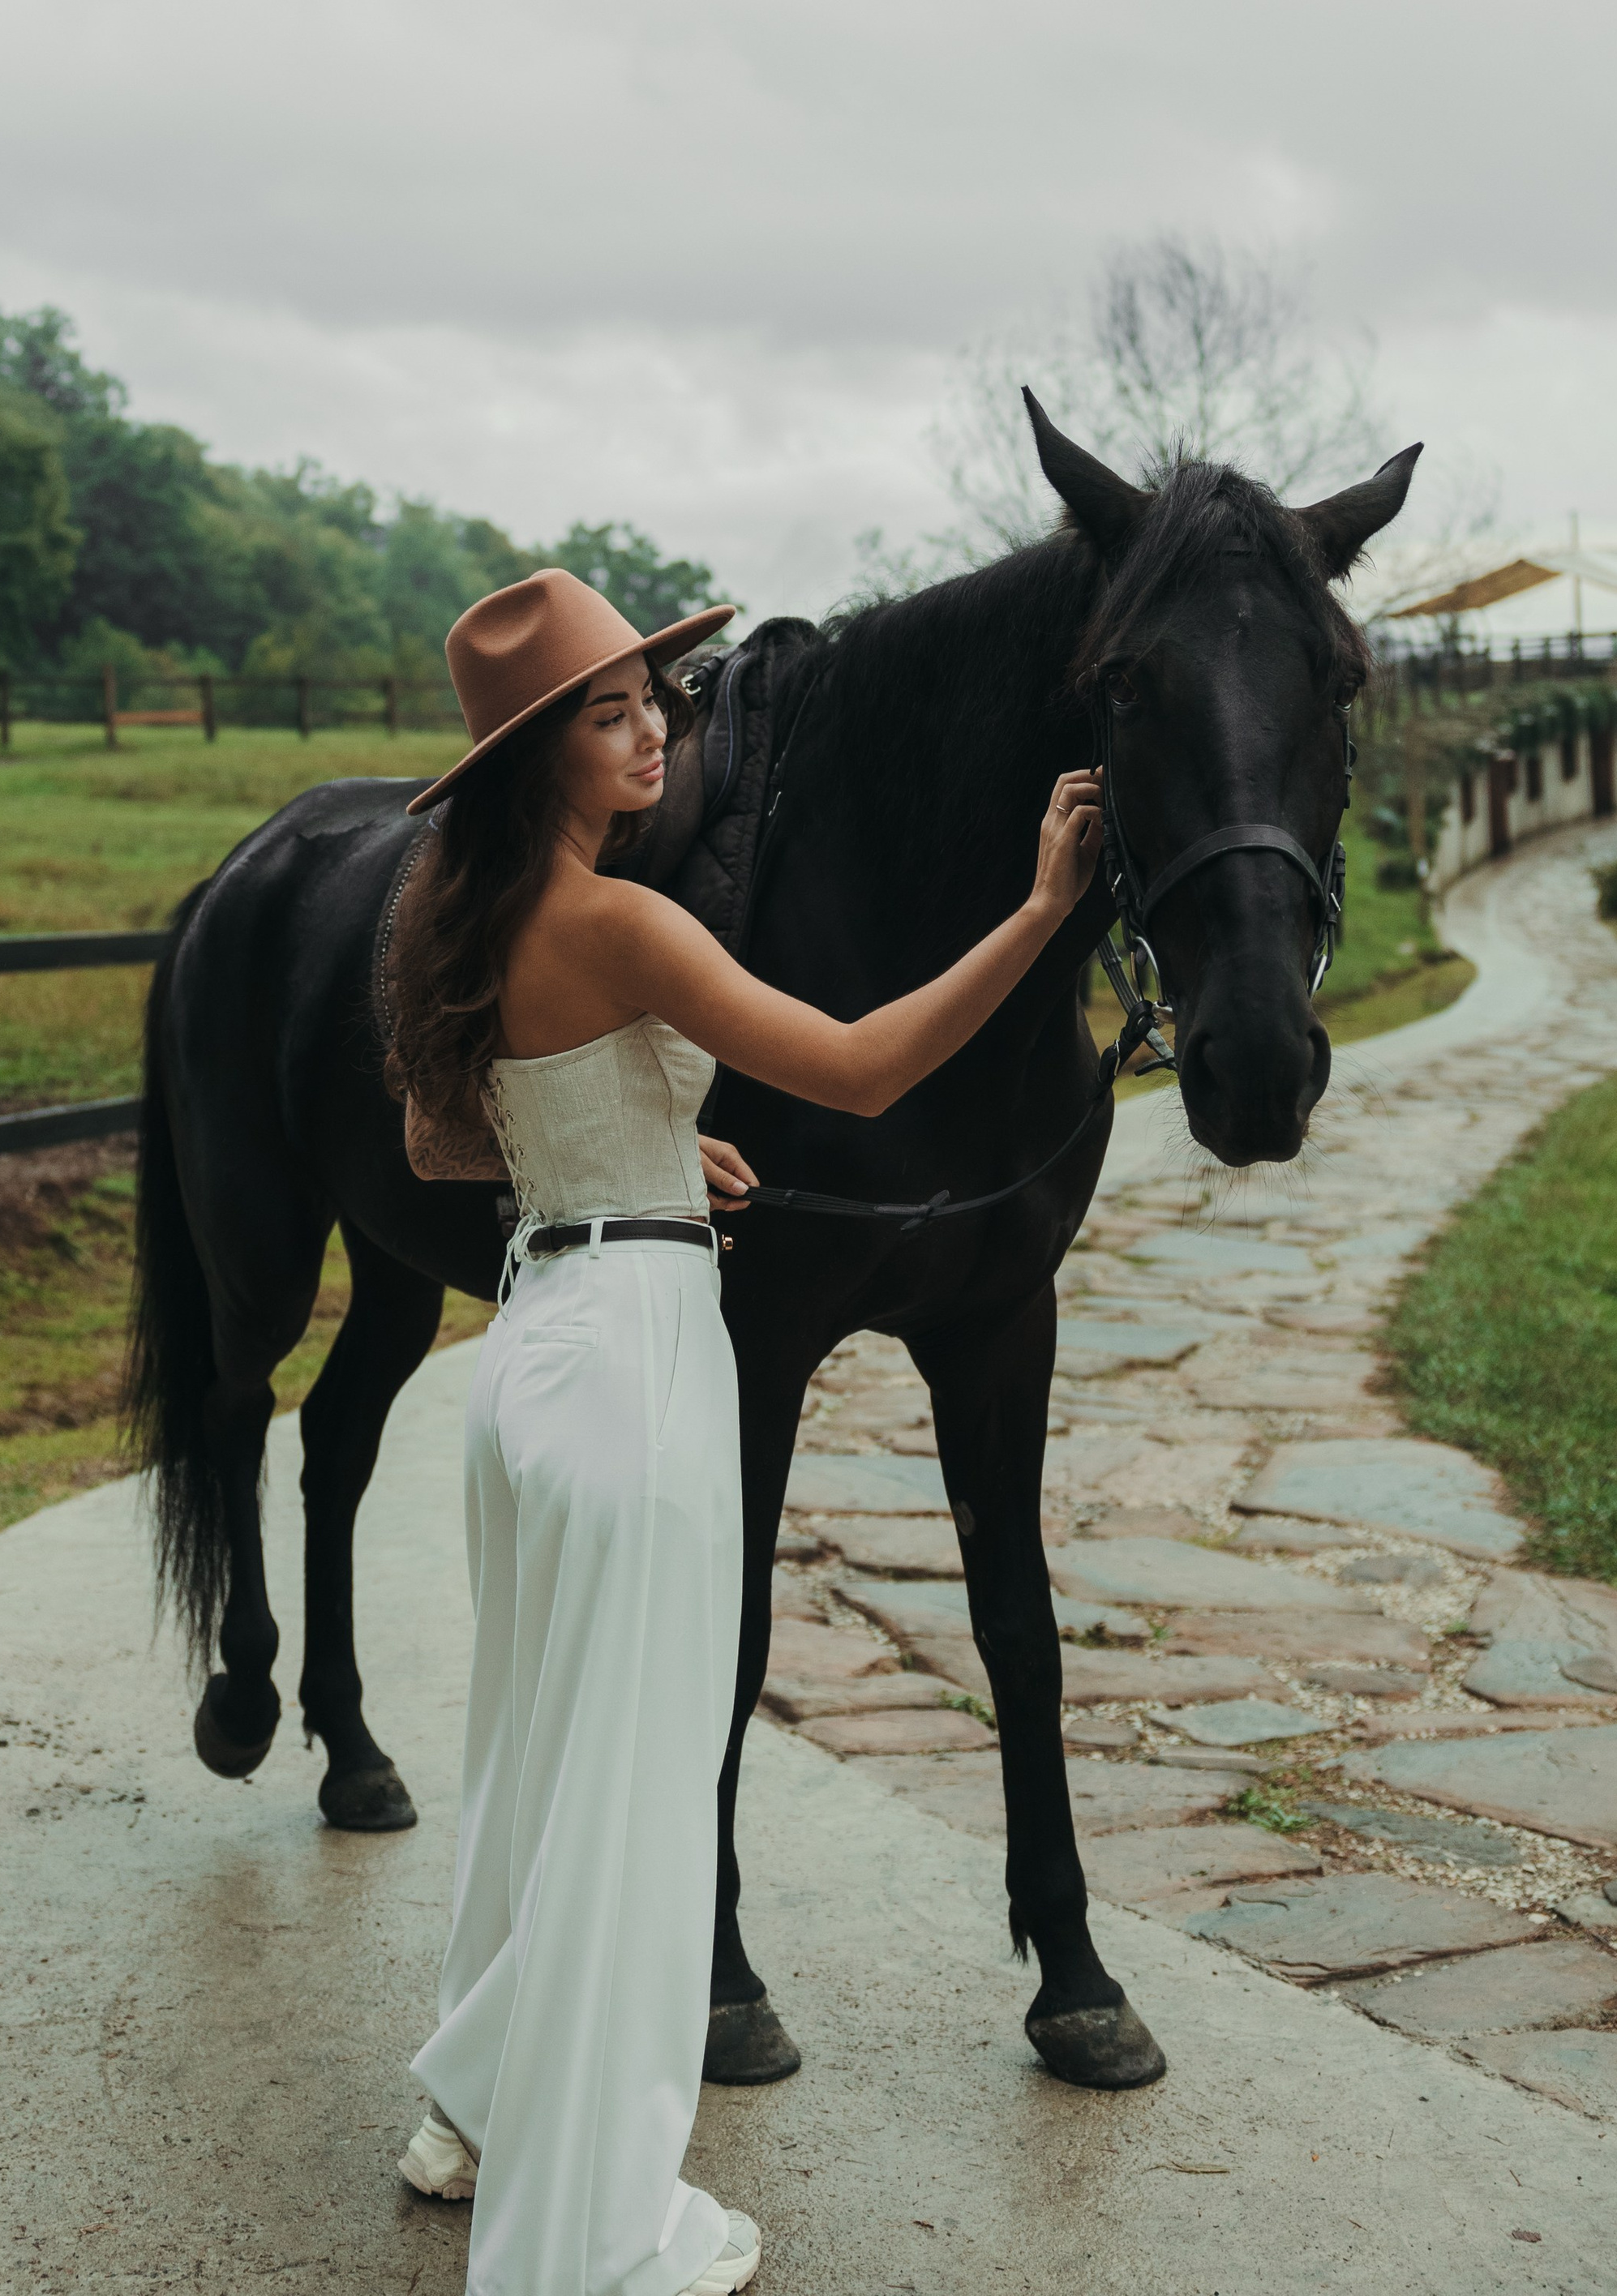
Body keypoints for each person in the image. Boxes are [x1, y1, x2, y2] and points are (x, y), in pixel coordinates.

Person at [387, 568, 1104, 2296]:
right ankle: (585, 2219)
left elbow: (440, 1144)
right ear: (540, 754)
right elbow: (857, 1070)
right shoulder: (625, 922)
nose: (654, 732)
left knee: (532, 1767)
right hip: (631, 1370)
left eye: (656, 699)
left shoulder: (475, 916)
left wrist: (635, 1146)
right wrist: (1038, 909)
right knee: (628, 1796)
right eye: (610, 712)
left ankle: (472, 2110)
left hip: (531, 1351)